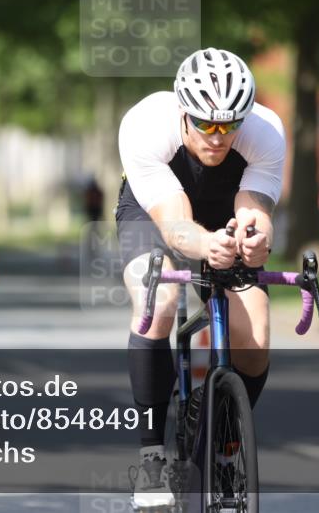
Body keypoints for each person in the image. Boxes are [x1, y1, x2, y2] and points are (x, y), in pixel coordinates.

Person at [116, 48, 286, 508]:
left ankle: (223, 442)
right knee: (159, 302)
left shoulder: (265, 131)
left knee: (256, 332)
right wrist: (205, 246)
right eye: (206, 124)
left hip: (224, 206)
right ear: (182, 111)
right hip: (154, 211)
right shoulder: (146, 125)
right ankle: (151, 461)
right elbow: (174, 223)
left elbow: (256, 209)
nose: (217, 136)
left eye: (229, 126)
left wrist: (256, 241)